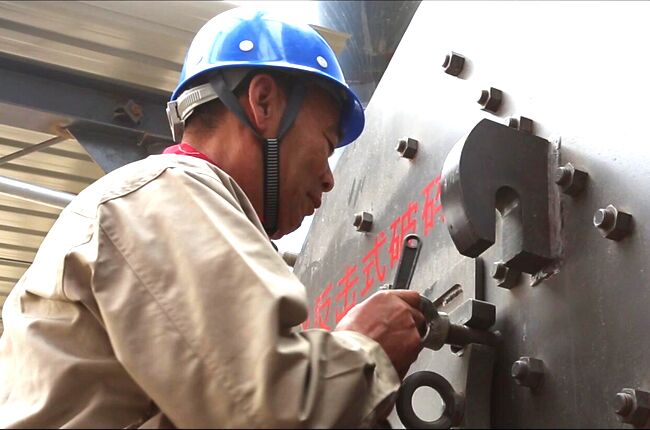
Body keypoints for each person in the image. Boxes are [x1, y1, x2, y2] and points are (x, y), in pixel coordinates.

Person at [0, 7, 425, 428]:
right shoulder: (163, 195)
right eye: (328, 144)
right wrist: (367, 349)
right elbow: (265, 410)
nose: (330, 179)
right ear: (263, 102)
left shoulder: (150, 202)